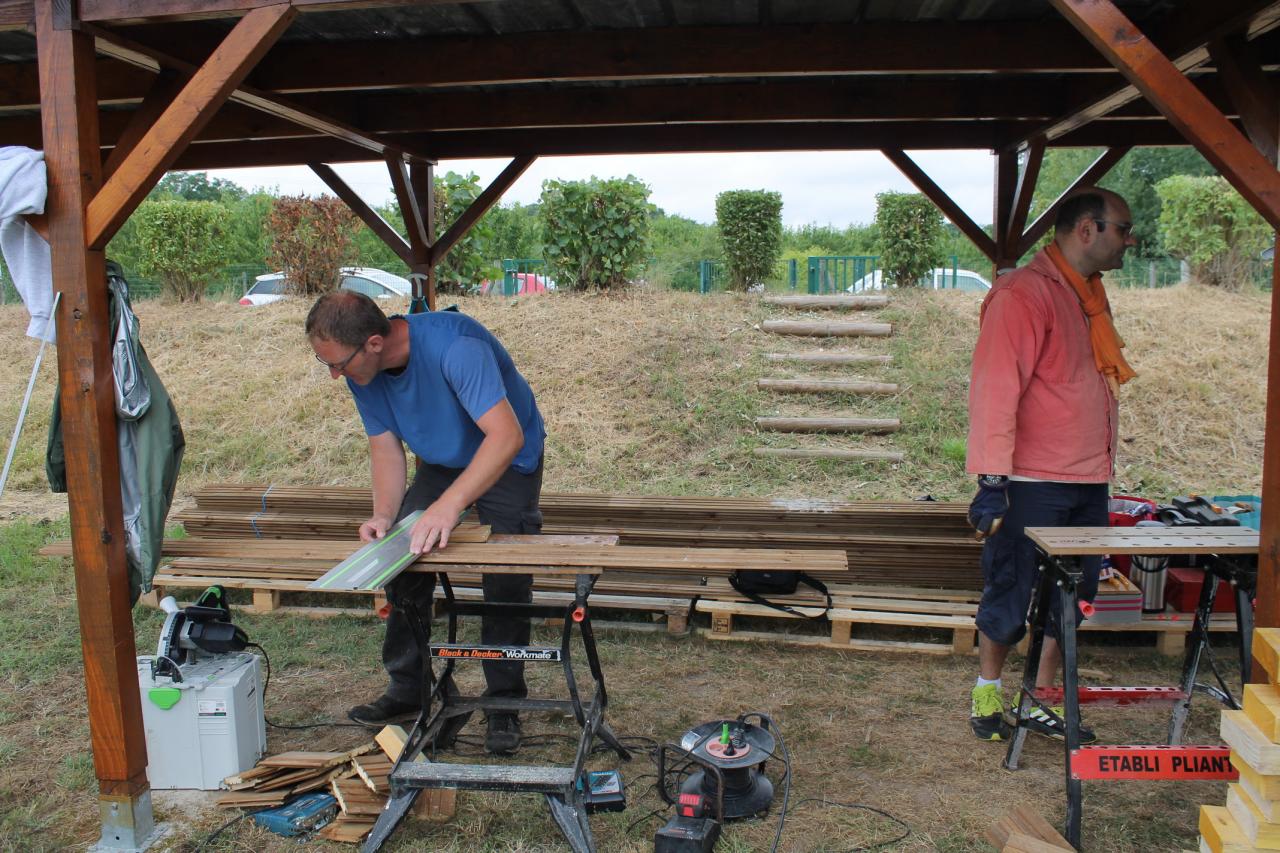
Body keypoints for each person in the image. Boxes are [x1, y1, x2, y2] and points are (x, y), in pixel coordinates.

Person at [306, 291, 546, 755]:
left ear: (374, 343)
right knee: (398, 560)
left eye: (338, 364)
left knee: (506, 577)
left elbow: (506, 436)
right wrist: (383, 515)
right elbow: (385, 448)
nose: (335, 375)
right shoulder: (363, 371)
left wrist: (451, 505)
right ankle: (409, 686)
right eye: (327, 364)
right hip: (442, 461)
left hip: (505, 459)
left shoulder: (457, 348)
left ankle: (503, 703)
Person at [965, 188, 1138, 742]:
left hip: (1088, 480)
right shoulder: (1023, 294)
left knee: (1073, 599)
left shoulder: (1088, 296)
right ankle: (987, 694)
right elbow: (996, 388)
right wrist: (993, 481)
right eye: (1123, 229)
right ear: (1088, 229)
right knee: (1010, 591)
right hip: (1031, 482)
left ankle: (1039, 700)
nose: (1130, 240)